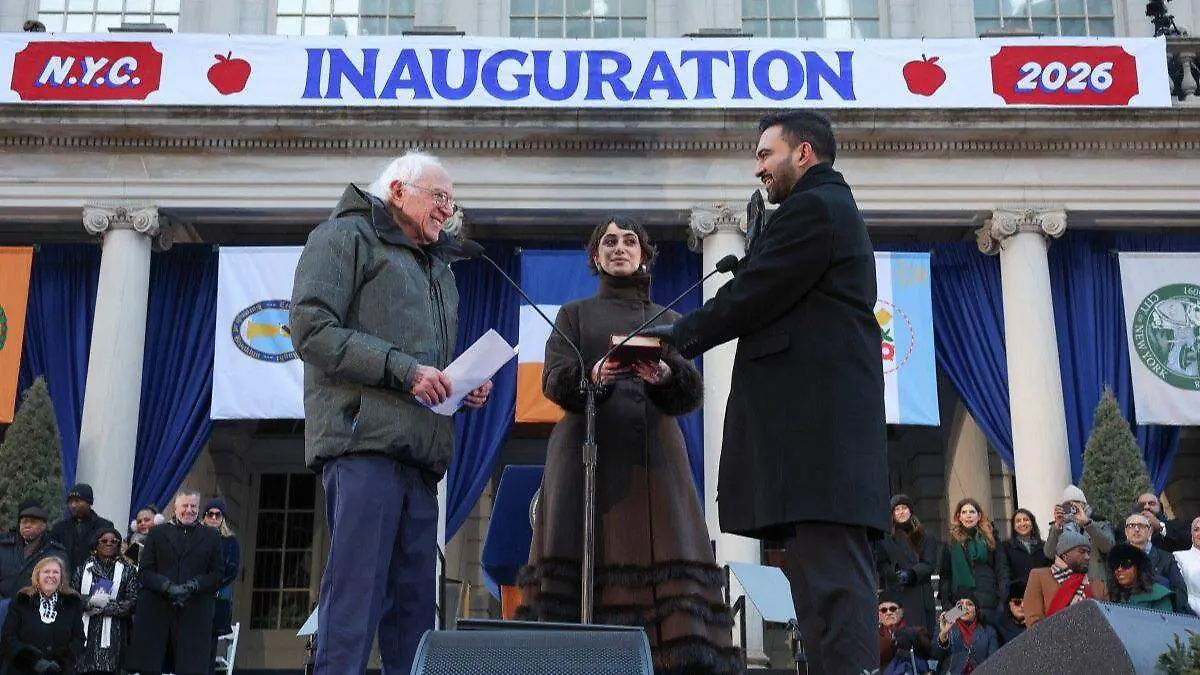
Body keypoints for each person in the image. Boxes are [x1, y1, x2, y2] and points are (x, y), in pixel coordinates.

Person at [641, 110, 889, 674]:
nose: (758, 169)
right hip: (811, 441)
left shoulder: (817, 208)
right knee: (816, 589)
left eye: (764, 154)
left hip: (820, 438)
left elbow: (756, 293)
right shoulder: (815, 210)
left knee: (832, 587)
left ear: (803, 153)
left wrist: (678, 336)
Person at [289, 150, 492, 675]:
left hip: (421, 454)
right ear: (399, 191)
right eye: (439, 196)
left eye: (452, 200)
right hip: (363, 446)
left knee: (414, 608)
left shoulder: (439, 268)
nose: (448, 210)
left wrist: (456, 382)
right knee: (354, 597)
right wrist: (406, 371)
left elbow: (426, 358)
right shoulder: (341, 238)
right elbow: (311, 329)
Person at [514, 217, 741, 674]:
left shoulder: (670, 317)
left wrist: (664, 376)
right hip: (585, 456)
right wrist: (591, 377)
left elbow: (690, 393)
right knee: (580, 569)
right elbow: (554, 380)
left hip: (655, 461)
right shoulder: (573, 314)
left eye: (630, 241)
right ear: (596, 257)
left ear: (644, 254)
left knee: (666, 559)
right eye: (609, 242)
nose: (620, 248)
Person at [124, 489, 225, 675]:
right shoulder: (157, 534)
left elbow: (217, 573)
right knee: (151, 668)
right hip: (158, 611)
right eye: (185, 506)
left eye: (193, 506)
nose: (189, 510)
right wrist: (166, 586)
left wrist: (193, 585)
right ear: (176, 508)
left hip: (194, 613)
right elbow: (145, 571)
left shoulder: (211, 536)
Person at [71, 527, 140, 675]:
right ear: (96, 544)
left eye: (114, 541)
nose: (109, 544)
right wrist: (90, 601)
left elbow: (133, 602)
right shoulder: (82, 569)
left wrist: (106, 607)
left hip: (114, 634)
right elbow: (71, 598)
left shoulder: (128, 570)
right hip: (85, 631)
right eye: (104, 540)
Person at [1, 556, 84, 675]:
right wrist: (35, 662)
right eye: (46, 571)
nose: (51, 575)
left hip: (60, 671)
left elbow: (79, 639)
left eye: (55, 572)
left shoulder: (72, 603)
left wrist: (61, 663)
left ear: (61, 578)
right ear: (37, 576)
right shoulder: (22, 601)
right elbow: (8, 637)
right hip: (24, 670)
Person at [938, 498, 1009, 625]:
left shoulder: (991, 538)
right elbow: (945, 577)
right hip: (960, 603)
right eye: (964, 512)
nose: (968, 515)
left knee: (989, 639)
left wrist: (1002, 599)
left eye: (972, 512)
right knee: (961, 640)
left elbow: (1001, 569)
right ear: (959, 517)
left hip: (988, 601)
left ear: (979, 516)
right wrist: (947, 606)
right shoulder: (950, 543)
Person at [875, 494, 939, 632]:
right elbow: (881, 564)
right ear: (892, 514)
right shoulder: (885, 539)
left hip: (921, 594)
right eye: (897, 509)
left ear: (910, 511)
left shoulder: (926, 535)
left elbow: (929, 564)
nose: (901, 512)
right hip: (897, 595)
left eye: (904, 508)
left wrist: (912, 574)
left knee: (922, 638)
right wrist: (894, 572)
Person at [1022, 529, 1107, 627]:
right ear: (1065, 554)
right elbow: (1033, 621)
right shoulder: (1039, 576)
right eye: (1082, 551)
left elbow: (1105, 624)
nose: (1087, 557)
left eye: (1088, 552)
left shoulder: (1098, 585)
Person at [1, 501, 69, 616]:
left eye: (33, 522)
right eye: (24, 522)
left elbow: (61, 587)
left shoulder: (55, 552)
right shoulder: (4, 547)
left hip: (35, 613)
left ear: (43, 526)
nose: (27, 525)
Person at [1043, 485, 1114, 582]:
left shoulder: (1100, 523)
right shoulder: (1059, 528)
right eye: (1067, 506)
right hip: (1068, 582)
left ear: (1084, 505)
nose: (1072, 509)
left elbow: (1109, 548)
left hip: (1095, 581)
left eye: (1075, 504)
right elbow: (1049, 554)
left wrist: (1087, 523)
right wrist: (1057, 526)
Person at [1121, 512, 1188, 613]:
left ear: (1150, 532)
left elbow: (1181, 593)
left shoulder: (1166, 558)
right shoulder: (1118, 559)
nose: (1136, 529)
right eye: (1131, 526)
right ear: (1126, 532)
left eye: (1141, 526)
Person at [201, 498, 239, 672]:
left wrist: (210, 585)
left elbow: (231, 570)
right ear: (204, 517)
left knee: (209, 646)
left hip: (216, 600)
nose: (214, 518)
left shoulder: (230, 542)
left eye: (218, 514)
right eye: (210, 514)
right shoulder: (195, 539)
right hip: (194, 597)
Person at [49, 485, 115, 582]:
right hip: (65, 583)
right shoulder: (59, 528)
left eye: (77, 501)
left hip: (95, 583)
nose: (73, 505)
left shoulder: (104, 526)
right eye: (70, 502)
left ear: (89, 502)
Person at [931, 590, 999, 675]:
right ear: (955, 609)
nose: (964, 607)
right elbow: (935, 655)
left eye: (969, 604)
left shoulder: (989, 631)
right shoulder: (945, 626)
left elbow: (994, 661)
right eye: (960, 604)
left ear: (976, 609)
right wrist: (943, 634)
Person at [1106, 542, 1175, 612]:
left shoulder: (1159, 595)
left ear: (1138, 567)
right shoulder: (1114, 596)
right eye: (1115, 565)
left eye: (1126, 564)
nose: (1119, 569)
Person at [876, 590, 932, 675]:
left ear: (901, 612)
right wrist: (894, 643)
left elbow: (928, 650)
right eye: (884, 610)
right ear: (879, 615)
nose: (888, 613)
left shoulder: (915, 630)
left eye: (893, 609)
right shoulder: (874, 636)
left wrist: (913, 638)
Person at [1001, 508, 1050, 588]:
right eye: (1018, 521)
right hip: (1018, 595)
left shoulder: (1044, 546)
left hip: (1042, 592)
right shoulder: (1006, 547)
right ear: (1013, 526)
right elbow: (1004, 574)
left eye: (1026, 520)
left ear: (1032, 524)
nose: (1023, 523)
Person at [1172, 517, 1200, 615]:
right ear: (1192, 534)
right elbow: (1181, 592)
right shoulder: (1179, 556)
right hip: (1191, 616)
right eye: (1197, 530)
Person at [994, 581, 1027, 646]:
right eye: (1017, 602)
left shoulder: (1037, 622)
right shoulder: (1000, 627)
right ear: (1009, 604)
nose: (1022, 605)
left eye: (1026, 601)